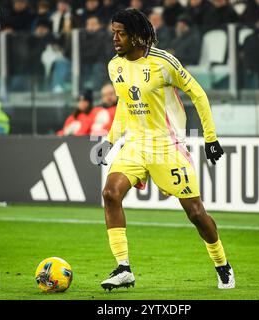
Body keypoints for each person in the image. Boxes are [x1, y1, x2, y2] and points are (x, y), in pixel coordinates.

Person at [93, 9, 234, 291]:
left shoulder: (163, 62)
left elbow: (198, 94)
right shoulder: (114, 66)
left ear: (136, 35)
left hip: (166, 146)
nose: (116, 39)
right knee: (110, 193)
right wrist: (110, 140)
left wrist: (210, 138)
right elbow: (123, 105)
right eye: (113, 33)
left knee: (195, 213)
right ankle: (124, 269)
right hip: (135, 144)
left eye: (121, 33)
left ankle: (222, 265)